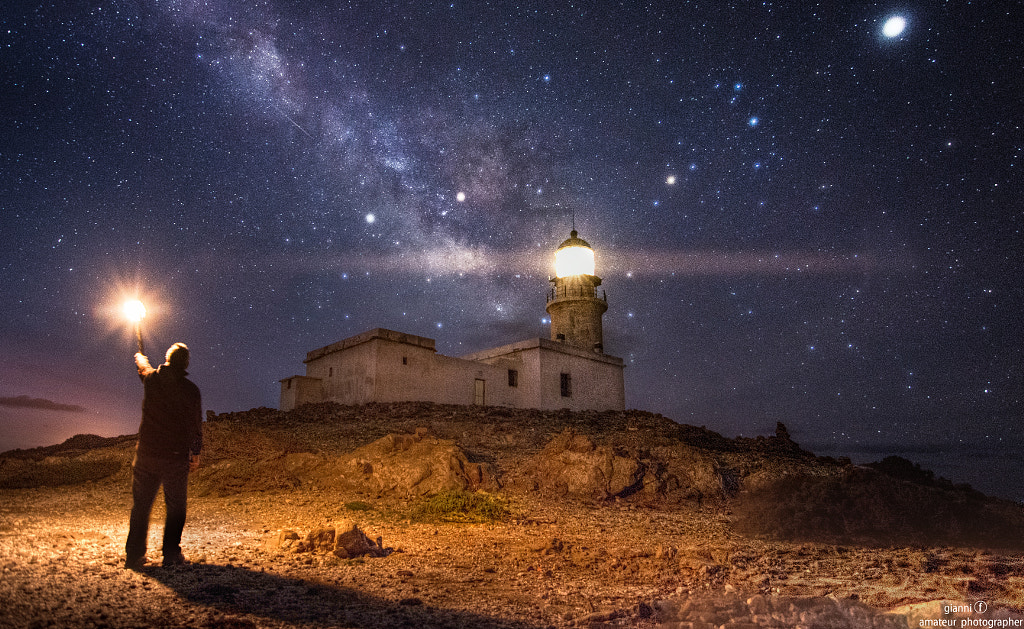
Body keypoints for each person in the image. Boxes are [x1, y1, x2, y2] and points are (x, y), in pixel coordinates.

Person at [124, 342, 203, 570]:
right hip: (175, 457)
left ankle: (134, 556)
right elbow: (195, 425)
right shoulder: (191, 390)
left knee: (141, 506)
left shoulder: (152, 381)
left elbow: (145, 368)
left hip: (146, 455)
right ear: (186, 364)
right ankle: (171, 554)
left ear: (167, 360)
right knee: (176, 506)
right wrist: (195, 454)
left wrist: (140, 358)